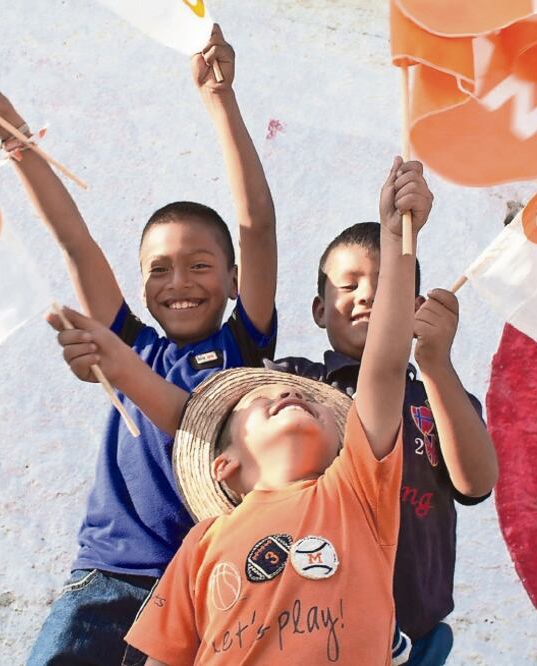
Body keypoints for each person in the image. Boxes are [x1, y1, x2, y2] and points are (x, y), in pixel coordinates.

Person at [0, 26, 278, 665]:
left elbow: (256, 225)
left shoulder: (246, 346)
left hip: (210, 589)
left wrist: (220, 100)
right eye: (159, 269)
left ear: (235, 280)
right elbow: (76, 240)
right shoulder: (127, 347)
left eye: (200, 265)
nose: (179, 283)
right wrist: (14, 137)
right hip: (107, 580)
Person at [110, 155, 427, 663]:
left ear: (341, 445)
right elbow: (163, 657)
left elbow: (385, 365)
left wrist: (396, 240)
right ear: (225, 464)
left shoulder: (357, 494)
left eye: (311, 400)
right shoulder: (202, 542)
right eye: (261, 402)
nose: (289, 393)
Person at [266, 162, 498, 665]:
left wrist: (436, 365)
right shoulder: (295, 384)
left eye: (383, 283)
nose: (368, 294)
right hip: (308, 626)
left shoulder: (435, 395)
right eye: (348, 285)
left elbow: (477, 484)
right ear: (319, 310)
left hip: (415, 631)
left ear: (413, 306)